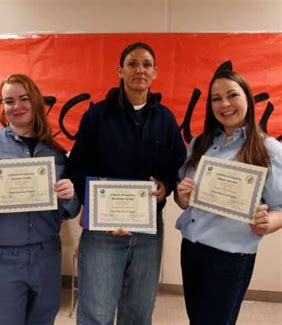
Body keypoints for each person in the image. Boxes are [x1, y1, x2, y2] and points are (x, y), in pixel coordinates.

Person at [67, 42, 186, 325]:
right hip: (102, 231)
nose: (139, 70)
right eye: (132, 64)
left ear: (155, 72)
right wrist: (100, 213)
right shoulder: (97, 115)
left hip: (148, 232)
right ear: (120, 71)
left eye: (146, 64)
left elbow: (175, 167)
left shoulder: (165, 119)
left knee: (138, 313)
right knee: (96, 314)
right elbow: (77, 168)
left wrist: (164, 186)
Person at [0, 73, 80, 325]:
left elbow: (72, 209)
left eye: (24, 99)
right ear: (2, 107)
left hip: (46, 254)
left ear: (36, 102)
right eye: (9, 101)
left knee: (43, 320)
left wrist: (69, 196)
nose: (17, 106)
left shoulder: (54, 152)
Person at [174, 69, 282, 325]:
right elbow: (182, 196)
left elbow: (281, 207)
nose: (224, 104)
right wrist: (183, 198)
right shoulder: (200, 143)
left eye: (232, 95)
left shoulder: (268, 149)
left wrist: (268, 224)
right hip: (192, 249)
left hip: (230, 258)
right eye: (216, 98)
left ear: (248, 99)